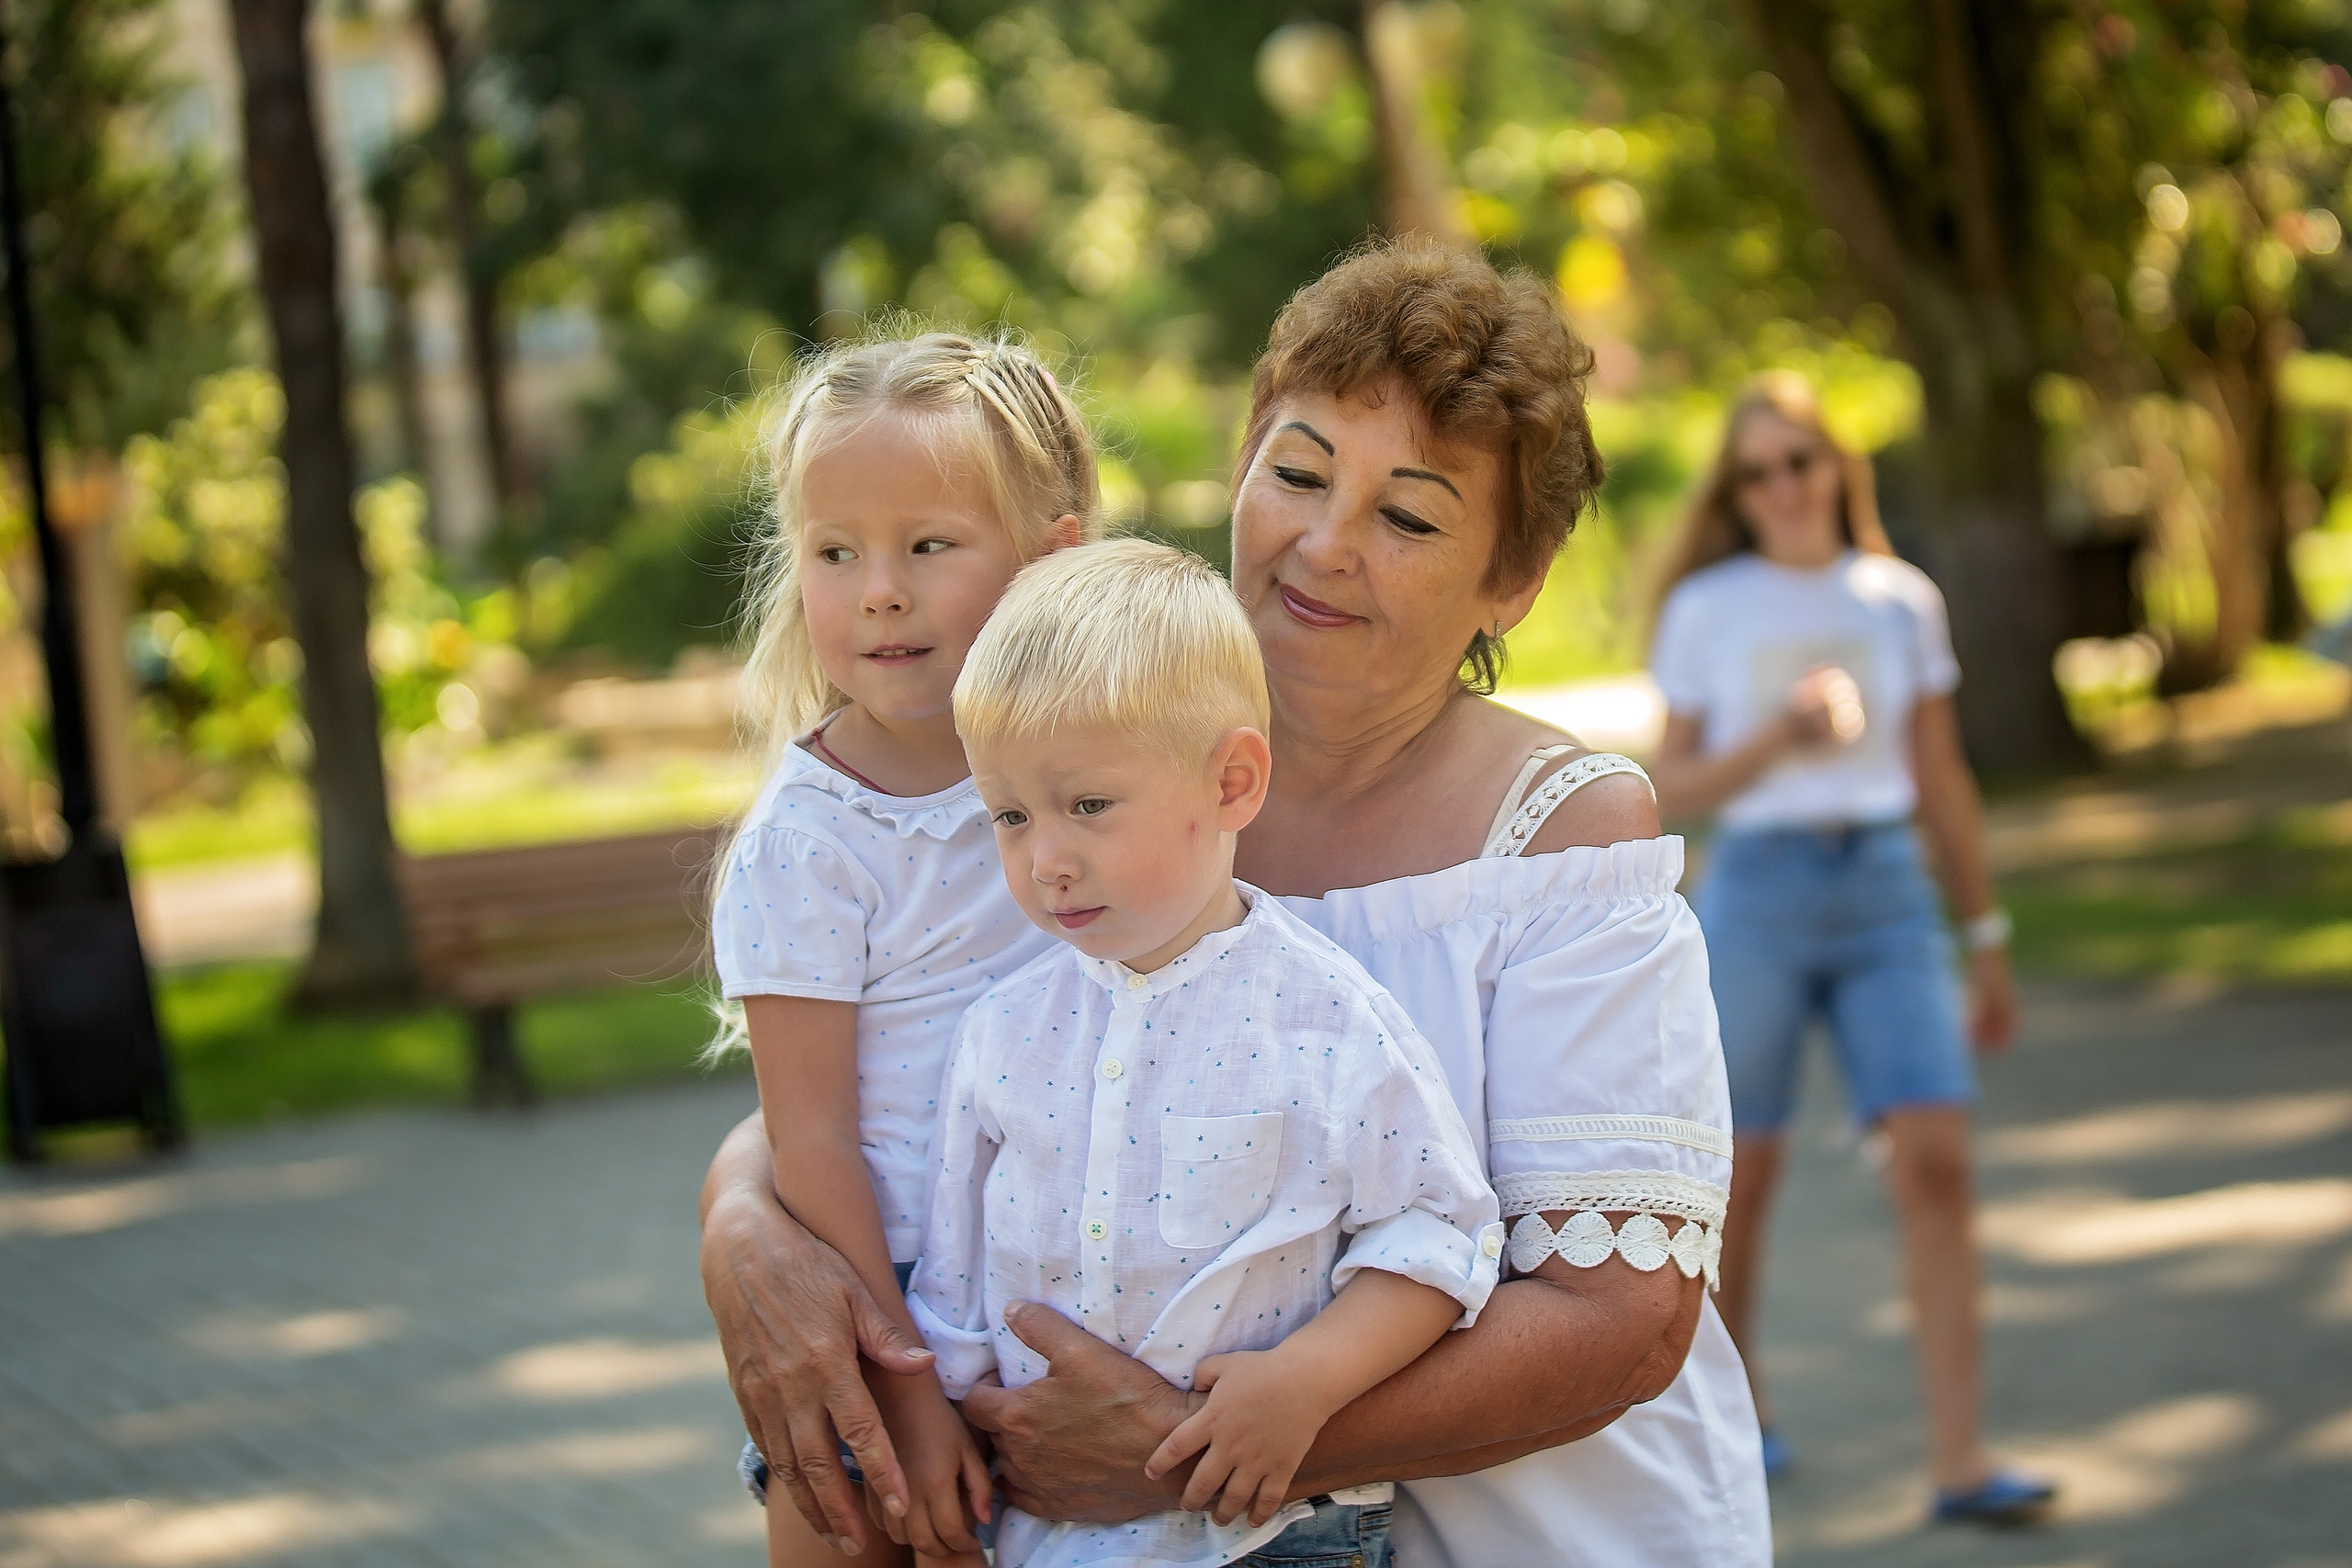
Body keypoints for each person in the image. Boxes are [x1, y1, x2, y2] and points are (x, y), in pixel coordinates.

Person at [701, 237, 1771, 1567]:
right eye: (1300, 472)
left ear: (1515, 579)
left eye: (1410, 516)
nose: (1326, 543)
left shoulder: (1562, 842)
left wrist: (1175, 1445)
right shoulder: (1105, 792)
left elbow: (1624, 1324)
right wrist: (739, 1211)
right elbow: (920, 1068)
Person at [903, 537, 1503, 1568]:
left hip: (1268, 1532)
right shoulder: (998, 1037)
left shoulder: (1324, 1019)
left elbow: (1438, 1232)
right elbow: (956, 1286)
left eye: (1087, 805)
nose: (1045, 858)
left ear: (1231, 783)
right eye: (1008, 815)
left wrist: (1307, 1381)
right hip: (1049, 1533)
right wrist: (950, 1466)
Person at [708, 328, 1098, 1566]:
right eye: (836, 552)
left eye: (928, 545)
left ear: (1053, 559)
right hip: (886, 1307)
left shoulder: (1103, 775)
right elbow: (809, 1137)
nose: (880, 587)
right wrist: (912, 1393)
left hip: (1070, 1283)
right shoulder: (813, 839)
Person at [1644, 370, 2056, 1526]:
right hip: (1760, 890)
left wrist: (1983, 933)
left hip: (1883, 888)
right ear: (1736, 490)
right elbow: (1668, 786)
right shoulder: (1707, 608)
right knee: (1744, 1181)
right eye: (1757, 469)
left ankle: (1962, 1463)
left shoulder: (1896, 599)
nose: (1781, 486)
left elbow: (1942, 777)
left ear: (1837, 468)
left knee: (1937, 1161)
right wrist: (1774, 737)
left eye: (1799, 461)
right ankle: (1741, 1422)